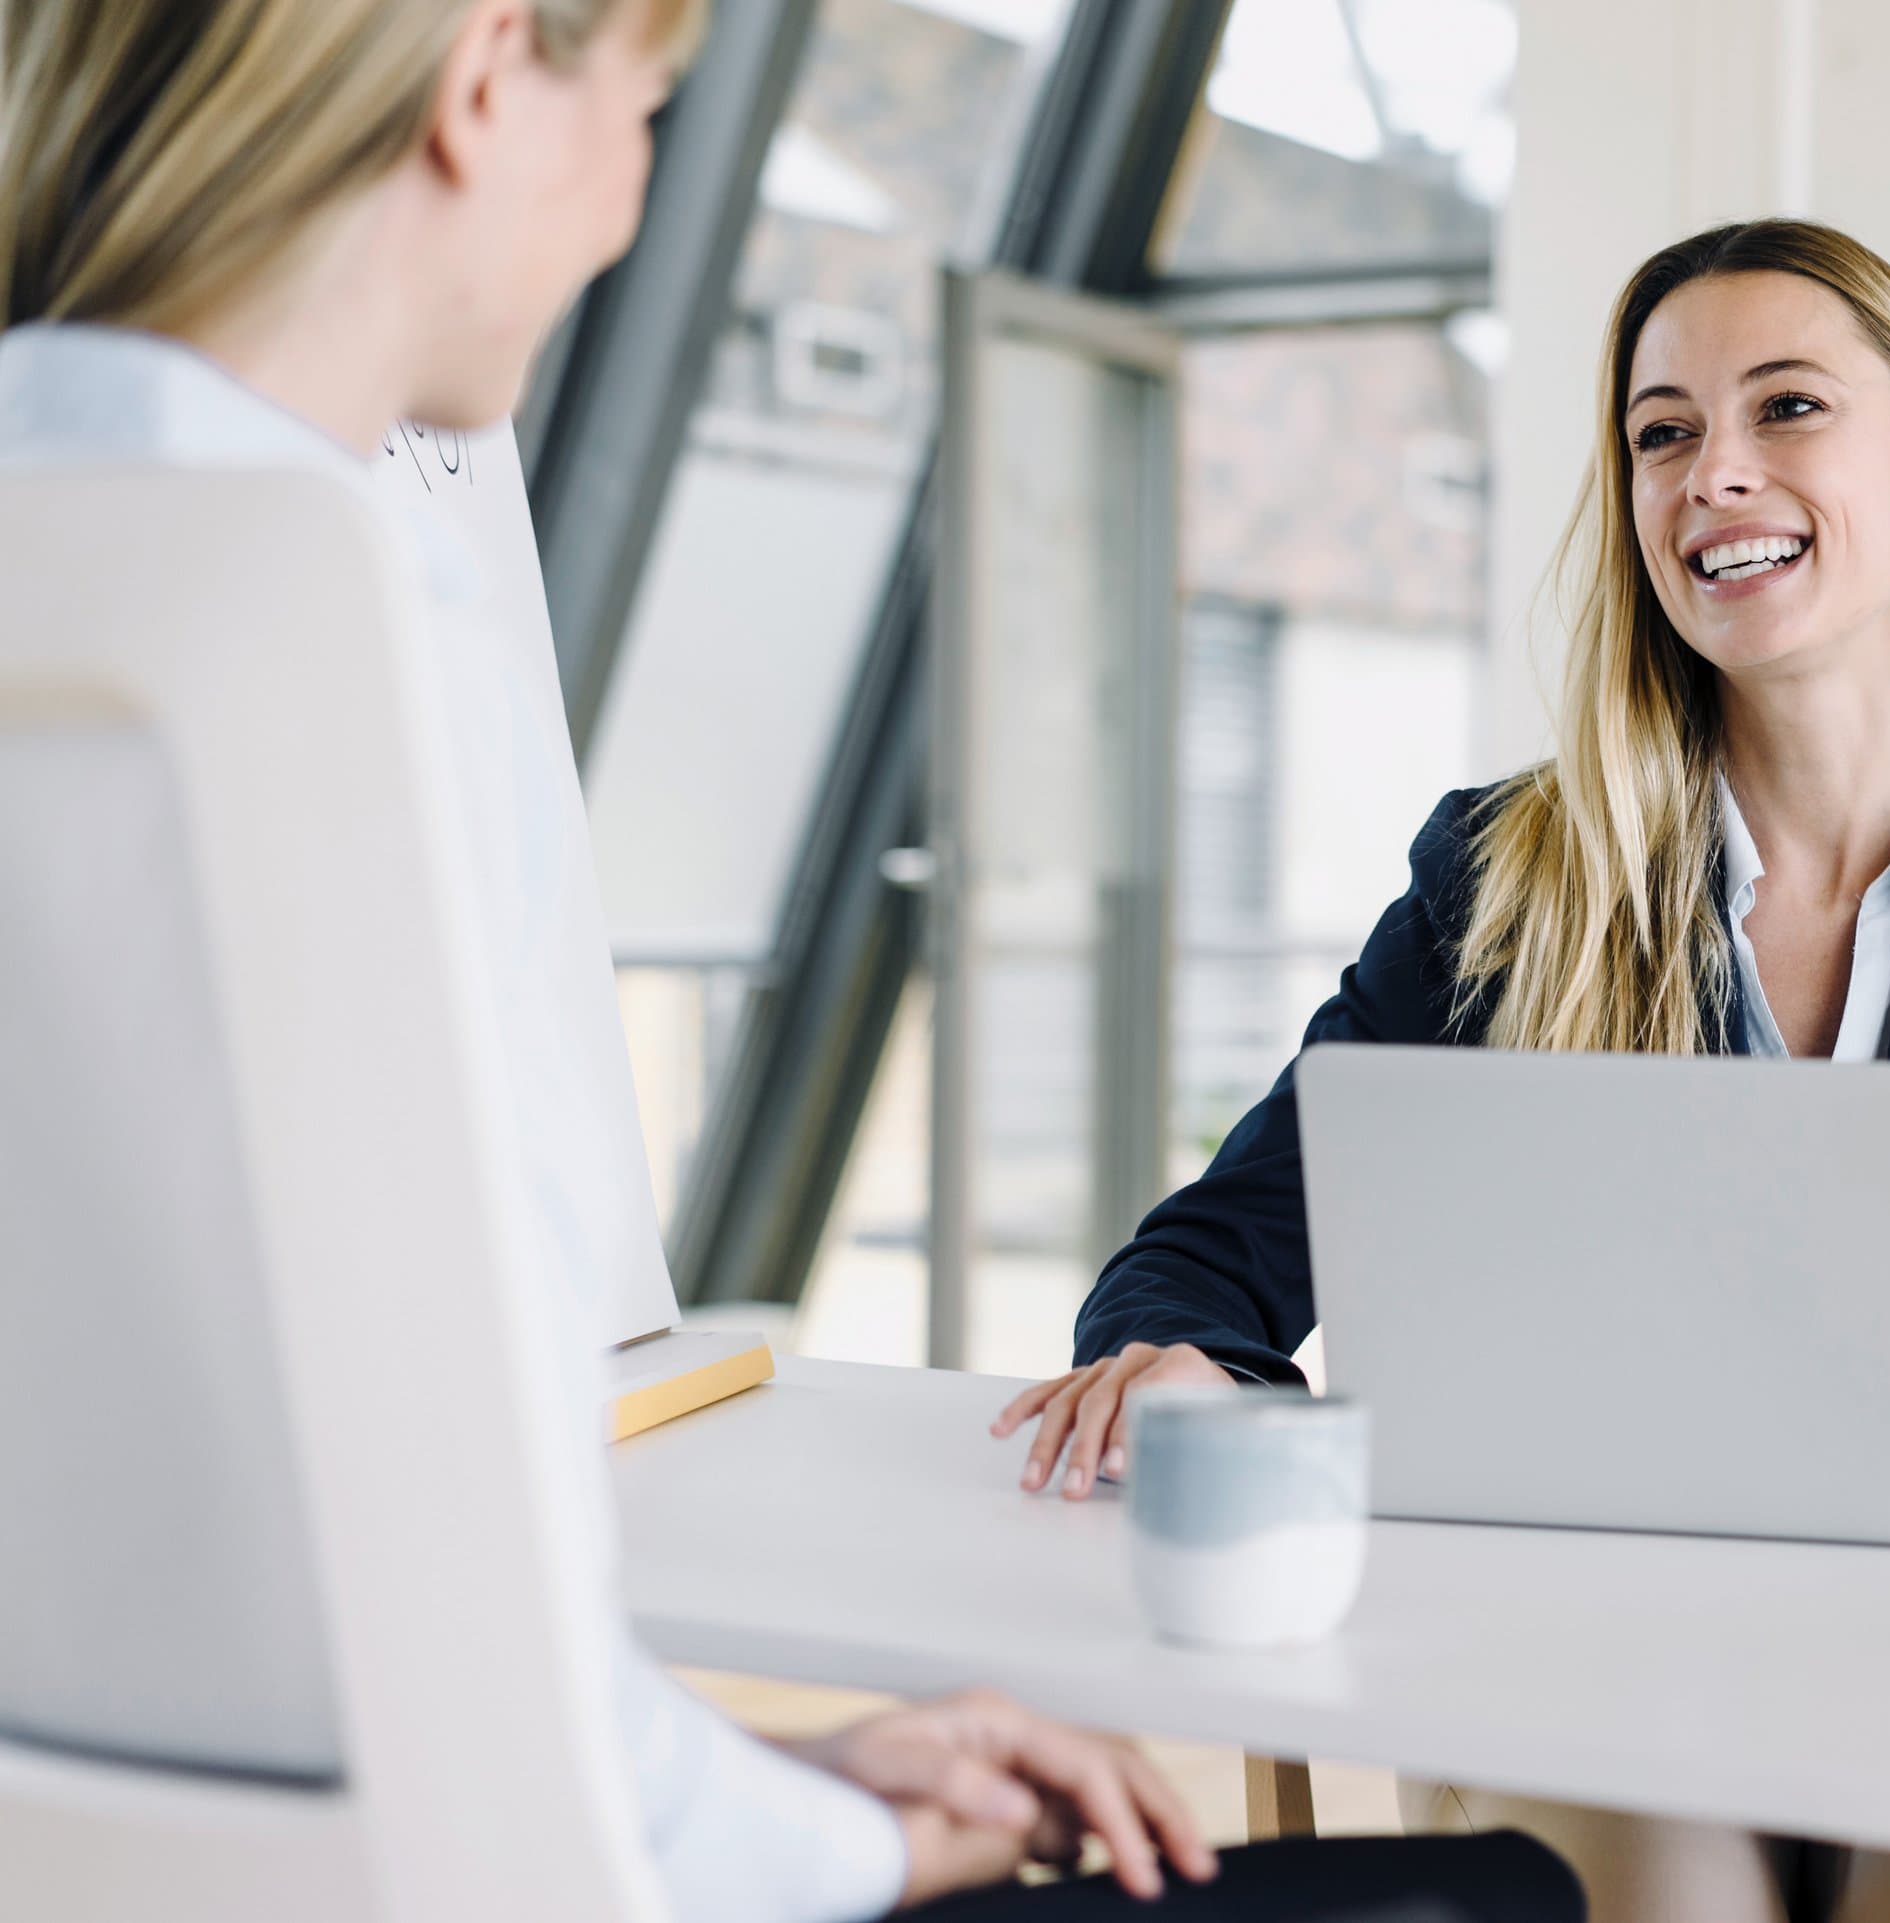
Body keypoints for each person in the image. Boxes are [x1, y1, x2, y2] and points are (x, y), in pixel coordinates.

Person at [0, 4, 1580, 1921]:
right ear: (491, 77)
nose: (627, 208)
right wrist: (859, 1839)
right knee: (1479, 1896)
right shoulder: (345, 623)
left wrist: (766, 1765)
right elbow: (427, 1583)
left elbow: (250, 1586)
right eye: (650, 106)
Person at [998, 219, 1890, 1921]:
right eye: (1663, 432)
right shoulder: (1508, 876)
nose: (1714, 475)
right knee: (1667, 1886)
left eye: (1788, 408)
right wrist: (1200, 1378)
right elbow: (1210, 1254)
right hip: (1593, 1678)